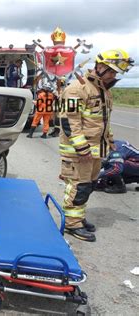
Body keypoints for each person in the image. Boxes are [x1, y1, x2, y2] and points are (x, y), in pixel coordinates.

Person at [58, 49, 134, 242]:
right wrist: (81, 148)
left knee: (89, 185)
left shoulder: (104, 91)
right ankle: (71, 223)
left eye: (115, 73)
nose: (113, 76)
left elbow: (103, 121)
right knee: (78, 186)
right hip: (79, 152)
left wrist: (110, 141)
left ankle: (79, 218)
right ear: (99, 67)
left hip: (95, 151)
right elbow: (69, 121)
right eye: (111, 71)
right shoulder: (77, 89)